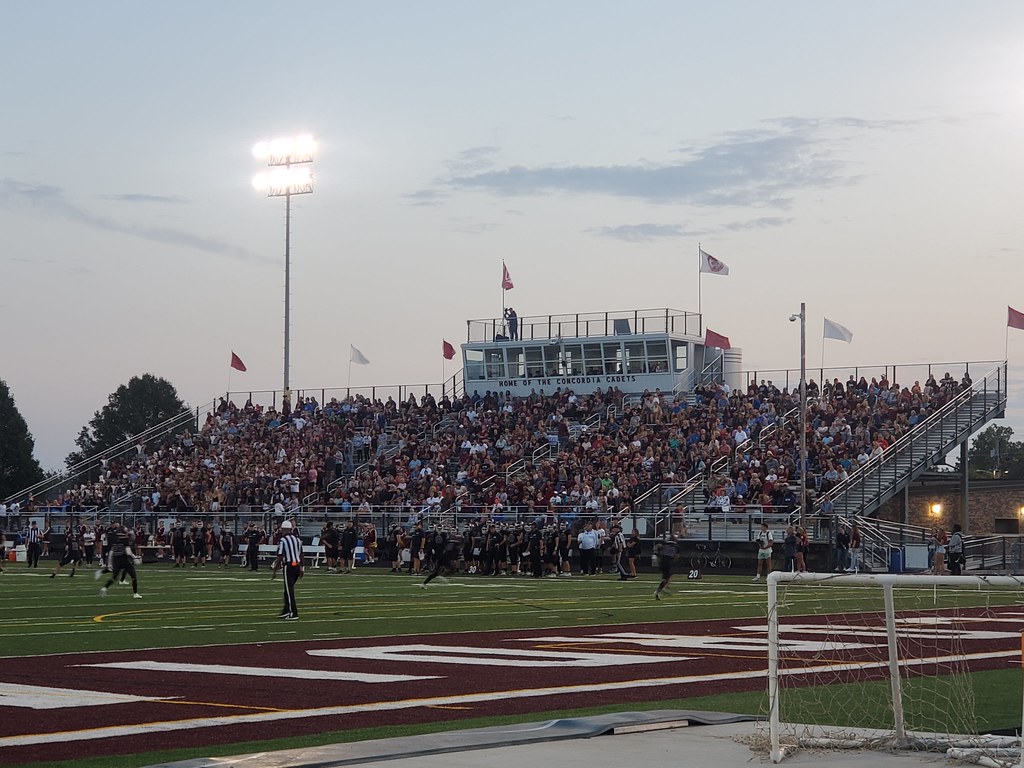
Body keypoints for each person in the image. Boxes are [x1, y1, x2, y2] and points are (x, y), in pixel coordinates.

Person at [99, 523, 142, 598]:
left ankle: (104, 588)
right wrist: (135, 558)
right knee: (134, 577)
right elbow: (128, 552)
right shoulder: (125, 540)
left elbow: (111, 552)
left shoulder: (114, 539)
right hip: (125, 560)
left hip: (116, 560)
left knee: (114, 578)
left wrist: (109, 563)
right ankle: (135, 593)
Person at [271, 520, 303, 619]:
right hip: (297, 566)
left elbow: (280, 556)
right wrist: (302, 568)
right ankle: (286, 610)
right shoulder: (297, 539)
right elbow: (302, 554)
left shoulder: (283, 540)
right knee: (288, 589)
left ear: (284, 529)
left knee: (289, 591)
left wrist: (275, 570)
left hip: (289, 566)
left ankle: (293, 613)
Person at [654, 534, 678, 600]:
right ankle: (659, 590)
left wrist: (657, 555)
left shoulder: (664, 544)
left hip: (662, 561)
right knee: (666, 578)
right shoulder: (675, 546)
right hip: (669, 562)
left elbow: (657, 547)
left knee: (666, 576)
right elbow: (676, 556)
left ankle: (663, 587)